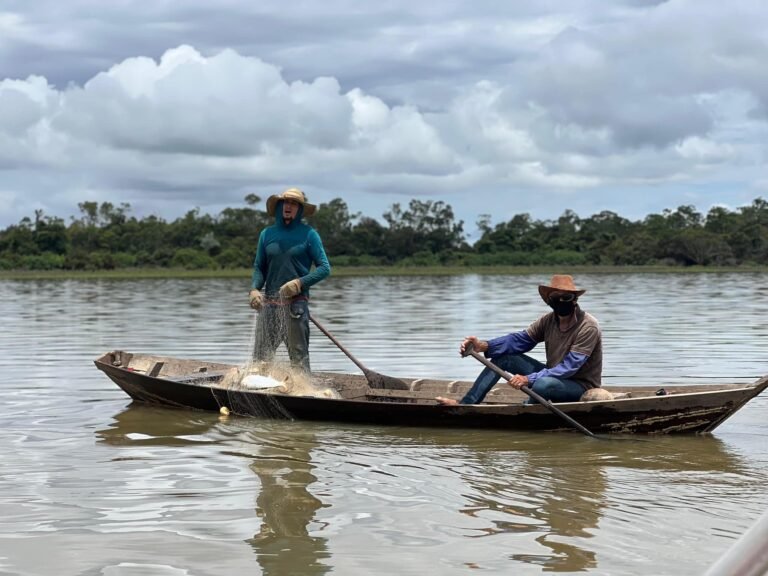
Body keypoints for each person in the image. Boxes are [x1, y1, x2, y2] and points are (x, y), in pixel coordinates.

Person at [437, 274, 602, 405]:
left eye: (565, 297)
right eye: (555, 298)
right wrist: (483, 346)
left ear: (574, 299)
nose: (560, 301)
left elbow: (569, 368)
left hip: (579, 386)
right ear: (549, 301)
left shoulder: (588, 326)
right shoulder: (548, 320)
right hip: (552, 377)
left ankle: (529, 405)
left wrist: (528, 378)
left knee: (542, 385)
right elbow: (519, 340)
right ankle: (467, 404)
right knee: (504, 358)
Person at [249, 187, 331, 373]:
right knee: (260, 359)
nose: (289, 206)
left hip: (296, 307)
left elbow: (325, 268)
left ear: (300, 210)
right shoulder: (266, 234)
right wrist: (254, 289)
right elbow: (259, 267)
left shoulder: (309, 234)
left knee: (299, 360)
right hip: (269, 305)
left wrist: (299, 283)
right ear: (279, 206)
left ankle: (302, 393)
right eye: (286, 202)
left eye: (294, 204)